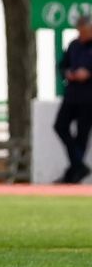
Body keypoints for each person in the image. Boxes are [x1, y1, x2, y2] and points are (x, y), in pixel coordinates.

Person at [53, 12, 92, 184]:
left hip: (89, 98)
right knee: (60, 126)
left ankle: (73, 174)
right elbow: (62, 65)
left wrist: (88, 74)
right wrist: (67, 73)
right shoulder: (74, 45)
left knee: (82, 135)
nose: (80, 34)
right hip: (72, 95)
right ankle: (78, 166)